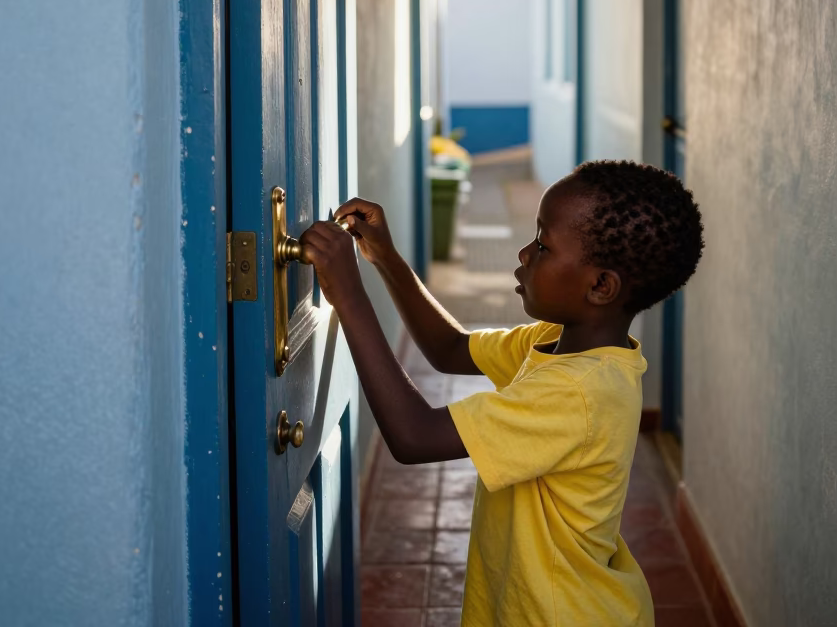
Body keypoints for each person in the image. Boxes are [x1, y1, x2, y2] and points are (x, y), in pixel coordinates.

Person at [300, 159, 704, 627]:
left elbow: (413, 437)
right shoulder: (559, 343)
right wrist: (385, 258)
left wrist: (349, 296)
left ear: (600, 285)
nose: (524, 253)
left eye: (543, 244)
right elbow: (449, 349)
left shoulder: (579, 390)